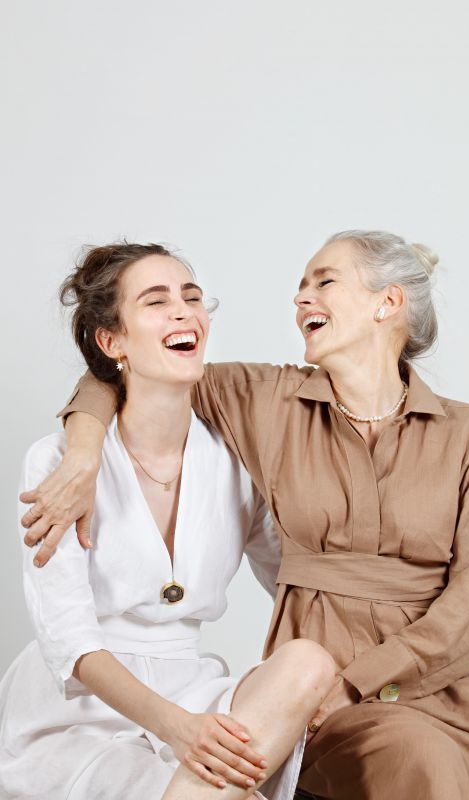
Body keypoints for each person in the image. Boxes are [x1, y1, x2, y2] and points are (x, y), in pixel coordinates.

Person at [21, 231, 469, 799]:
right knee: (414, 755)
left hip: (443, 681)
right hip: (326, 686)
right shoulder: (264, 400)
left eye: (324, 282)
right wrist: (84, 450)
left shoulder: (468, 432)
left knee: (443, 761)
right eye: (300, 286)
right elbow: (125, 373)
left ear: (387, 303)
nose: (300, 298)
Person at [0, 243, 337, 800]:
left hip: (194, 690)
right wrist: (175, 729)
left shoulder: (236, 463)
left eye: (193, 297)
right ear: (112, 342)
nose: (184, 312)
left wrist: (450, 632)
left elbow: (302, 585)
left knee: (306, 660)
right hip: (82, 711)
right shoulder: (59, 463)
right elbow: (72, 644)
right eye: (156, 301)